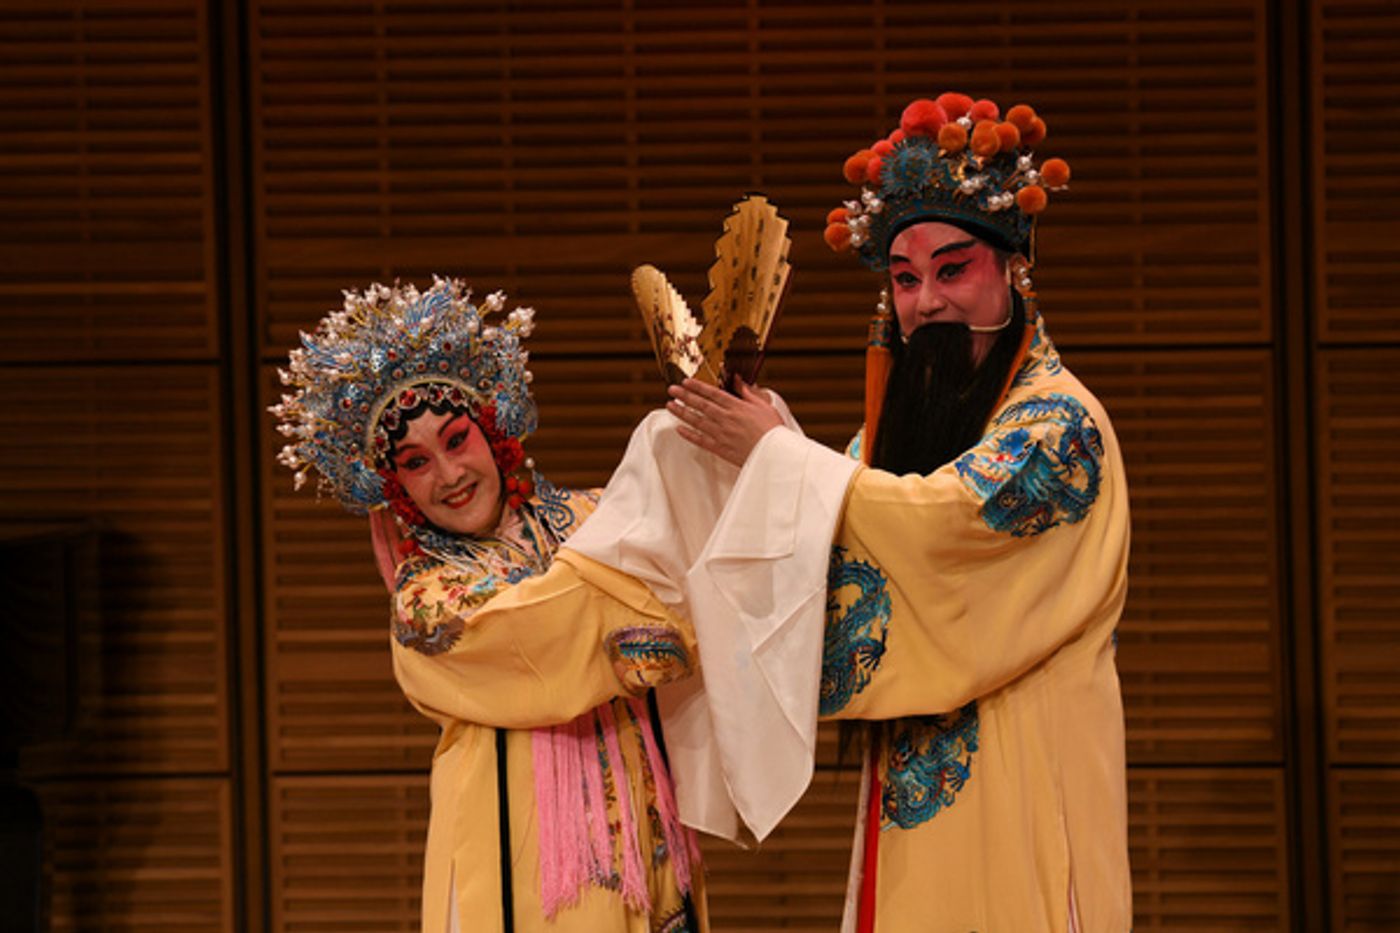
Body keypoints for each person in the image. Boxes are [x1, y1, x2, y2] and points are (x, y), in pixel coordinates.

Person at [666, 92, 1132, 932]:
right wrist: (749, 445)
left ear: (1013, 267)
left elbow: (941, 520)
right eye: (907, 279)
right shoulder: (899, 436)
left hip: (1028, 782)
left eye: (953, 270)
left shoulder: (1059, 429)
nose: (927, 303)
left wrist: (778, 455)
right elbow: (835, 523)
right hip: (909, 800)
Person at [271, 278, 706, 933]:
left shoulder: (593, 517)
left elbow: (688, 590)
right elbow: (547, 632)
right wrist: (628, 587)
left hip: (643, 821)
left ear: (493, 431)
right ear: (396, 487)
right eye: (416, 462)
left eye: (455, 440)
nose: (449, 475)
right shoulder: (426, 603)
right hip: (517, 849)